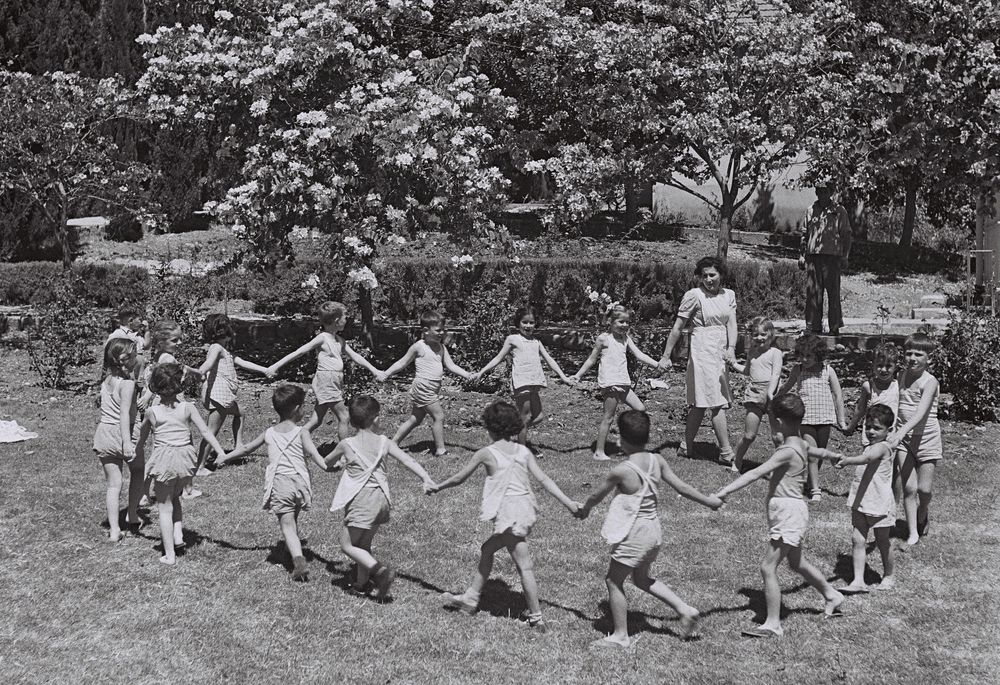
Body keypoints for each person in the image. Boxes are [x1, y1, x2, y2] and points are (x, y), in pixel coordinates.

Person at [428, 401, 581, 633]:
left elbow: (460, 478)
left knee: (524, 566)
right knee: (487, 549)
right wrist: (568, 503)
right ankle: (471, 597)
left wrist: (438, 487)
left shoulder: (486, 453)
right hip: (525, 509)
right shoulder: (523, 451)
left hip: (509, 514)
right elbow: (544, 480)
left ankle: (536, 618)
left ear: (489, 428)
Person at [575, 410, 722, 649]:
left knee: (613, 580)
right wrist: (709, 501)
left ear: (621, 440)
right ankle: (685, 610)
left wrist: (585, 509)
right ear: (648, 437)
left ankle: (621, 636)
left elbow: (596, 494)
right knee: (641, 579)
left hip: (635, 533)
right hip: (654, 531)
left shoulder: (622, 470)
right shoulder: (657, 461)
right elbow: (682, 487)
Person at [713, 395, 846, 638]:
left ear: (778, 421)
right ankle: (832, 595)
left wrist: (724, 491)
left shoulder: (785, 451)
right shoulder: (801, 444)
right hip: (790, 511)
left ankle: (773, 624)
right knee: (796, 563)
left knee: (767, 567)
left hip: (788, 512)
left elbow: (755, 473)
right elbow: (816, 450)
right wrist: (832, 455)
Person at [326, 395, 436, 600]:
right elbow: (407, 460)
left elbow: (326, 463)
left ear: (351, 421)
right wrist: (425, 477)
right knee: (364, 545)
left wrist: (338, 465)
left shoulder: (346, 444)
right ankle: (361, 583)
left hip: (362, 500)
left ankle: (380, 571)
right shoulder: (385, 442)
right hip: (382, 500)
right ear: (376, 419)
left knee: (347, 545)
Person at [220, 384, 331, 581]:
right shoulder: (302, 432)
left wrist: (226, 457)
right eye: (304, 406)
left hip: (281, 483)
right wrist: (327, 466)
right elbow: (314, 455)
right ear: (297, 409)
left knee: (287, 525)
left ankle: (298, 560)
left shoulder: (269, 433)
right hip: (300, 483)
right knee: (293, 519)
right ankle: (291, 550)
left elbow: (246, 449)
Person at [134, 363, 227, 566]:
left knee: (164, 506)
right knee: (175, 497)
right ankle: (178, 537)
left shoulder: (152, 412)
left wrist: (134, 451)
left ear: (155, 386)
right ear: (180, 385)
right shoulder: (188, 407)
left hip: (165, 460)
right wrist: (220, 451)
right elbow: (205, 432)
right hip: (186, 459)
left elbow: (140, 438)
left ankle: (169, 555)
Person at [266, 301, 384, 442]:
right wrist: (276, 366)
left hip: (333, 381)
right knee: (344, 416)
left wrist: (374, 370)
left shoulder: (339, 340)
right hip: (327, 381)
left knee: (317, 420)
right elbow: (299, 352)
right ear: (336, 320)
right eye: (345, 317)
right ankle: (344, 452)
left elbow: (356, 357)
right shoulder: (322, 338)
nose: (347, 319)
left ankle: (292, 440)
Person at [658, 256, 737, 463]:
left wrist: (731, 349)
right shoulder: (694, 296)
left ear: (721, 274)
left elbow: (732, 325)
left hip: (720, 350)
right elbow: (677, 327)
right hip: (702, 349)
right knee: (716, 401)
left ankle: (685, 446)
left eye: (713, 275)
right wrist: (666, 356)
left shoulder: (728, 295)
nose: (709, 279)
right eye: (705, 276)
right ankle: (726, 452)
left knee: (701, 403)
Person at [473, 306, 576, 452]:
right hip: (521, 382)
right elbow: (498, 358)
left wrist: (564, 377)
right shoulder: (513, 339)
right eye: (524, 322)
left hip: (534, 382)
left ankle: (511, 431)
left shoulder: (536, 342)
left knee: (538, 416)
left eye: (531, 322)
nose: (528, 326)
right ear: (518, 323)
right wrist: (481, 372)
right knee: (525, 417)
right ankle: (521, 450)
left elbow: (550, 360)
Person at [570, 306, 660, 461]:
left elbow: (639, 355)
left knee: (641, 409)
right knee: (608, 417)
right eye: (621, 321)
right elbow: (592, 359)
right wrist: (578, 375)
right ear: (610, 321)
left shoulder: (626, 338)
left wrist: (657, 365)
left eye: (627, 322)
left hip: (623, 381)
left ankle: (624, 440)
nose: (625, 325)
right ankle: (599, 452)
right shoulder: (604, 339)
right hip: (610, 382)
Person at [382, 310, 473, 457]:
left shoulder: (441, 347)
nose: (442, 333)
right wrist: (386, 373)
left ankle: (393, 443)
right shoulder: (419, 347)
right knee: (439, 416)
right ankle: (441, 450)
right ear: (425, 330)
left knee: (415, 419)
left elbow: (451, 366)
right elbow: (402, 363)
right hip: (423, 387)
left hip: (432, 388)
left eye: (443, 329)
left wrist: (467, 375)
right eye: (438, 330)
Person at [193, 314, 269, 478]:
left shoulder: (225, 351)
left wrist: (265, 370)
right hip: (219, 396)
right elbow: (208, 363)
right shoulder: (216, 348)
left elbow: (243, 362)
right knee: (210, 432)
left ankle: (238, 446)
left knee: (240, 412)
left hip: (225, 396)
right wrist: (202, 371)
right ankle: (199, 467)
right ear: (224, 331)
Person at [775, 333, 847, 502]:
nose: (805, 359)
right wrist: (774, 397)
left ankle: (809, 481)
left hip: (824, 418)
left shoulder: (828, 371)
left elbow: (838, 395)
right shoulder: (798, 370)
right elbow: (787, 387)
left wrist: (841, 419)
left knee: (819, 453)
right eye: (802, 355)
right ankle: (815, 490)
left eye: (809, 356)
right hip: (806, 419)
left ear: (818, 355)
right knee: (812, 456)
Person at [834, 405, 896, 593]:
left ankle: (889, 575)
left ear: (889, 431)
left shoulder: (883, 448)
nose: (871, 431)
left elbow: (867, 459)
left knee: (883, 541)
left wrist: (846, 460)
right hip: (861, 500)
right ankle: (858, 580)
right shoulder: (868, 446)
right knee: (857, 539)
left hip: (880, 502)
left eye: (877, 428)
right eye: (868, 427)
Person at [888, 333, 942, 546]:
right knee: (909, 488)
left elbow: (921, 413)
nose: (912, 357)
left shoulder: (930, 382)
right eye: (908, 353)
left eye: (918, 354)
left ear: (929, 358)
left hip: (927, 439)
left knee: (924, 490)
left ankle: (923, 512)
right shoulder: (901, 376)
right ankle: (912, 532)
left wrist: (901, 432)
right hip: (904, 441)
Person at [93, 338, 143, 541]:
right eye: (132, 355)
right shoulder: (128, 383)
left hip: (103, 433)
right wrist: (127, 441)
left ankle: (114, 529)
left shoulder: (106, 380)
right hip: (125, 432)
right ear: (123, 359)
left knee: (114, 484)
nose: (135, 358)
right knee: (138, 471)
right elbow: (124, 414)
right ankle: (132, 513)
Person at [728, 317, 784, 472]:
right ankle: (737, 461)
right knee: (749, 436)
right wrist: (732, 364)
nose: (759, 338)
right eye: (755, 334)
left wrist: (770, 393)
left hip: (772, 395)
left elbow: (776, 374)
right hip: (754, 395)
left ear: (771, 335)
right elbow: (747, 371)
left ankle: (779, 467)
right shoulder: (752, 353)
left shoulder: (775, 353)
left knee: (778, 437)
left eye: (763, 334)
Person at [799, 184, 852, 336]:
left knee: (833, 293)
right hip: (813, 257)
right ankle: (814, 326)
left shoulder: (839, 211)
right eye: (819, 191)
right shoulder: (810, 210)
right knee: (813, 293)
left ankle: (834, 327)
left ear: (831, 192)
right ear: (816, 192)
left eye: (825, 191)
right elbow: (804, 234)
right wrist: (802, 255)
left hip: (832, 257)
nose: (822, 194)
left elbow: (846, 235)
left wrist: (845, 256)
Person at [840, 343, 900, 445]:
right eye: (880, 365)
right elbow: (860, 409)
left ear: (895, 367)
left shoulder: (899, 386)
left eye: (888, 366)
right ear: (873, 365)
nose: (884, 370)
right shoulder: (869, 386)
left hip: (890, 435)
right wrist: (851, 427)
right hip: (871, 435)